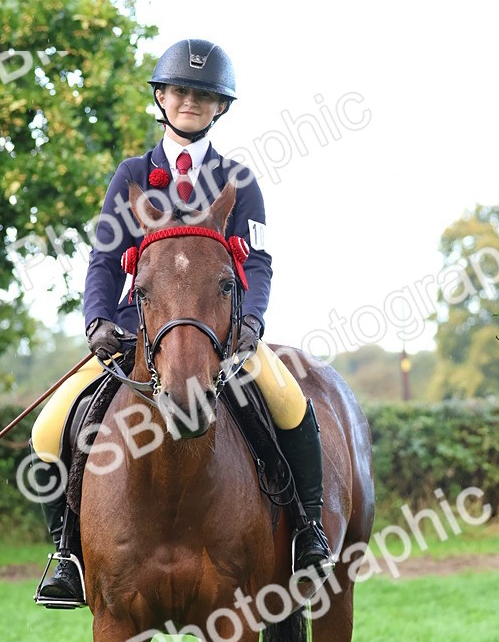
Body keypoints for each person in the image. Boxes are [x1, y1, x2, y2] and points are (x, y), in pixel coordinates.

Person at [30, 38, 333, 607]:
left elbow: (257, 261)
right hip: (135, 335)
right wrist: (97, 322)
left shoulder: (239, 179)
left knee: (290, 404)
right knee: (48, 430)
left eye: (202, 94)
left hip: (226, 335)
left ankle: (308, 533)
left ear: (220, 107)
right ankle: (66, 556)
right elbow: (104, 259)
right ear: (161, 99)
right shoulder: (131, 175)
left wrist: (252, 322)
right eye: (179, 91)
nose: (189, 101)